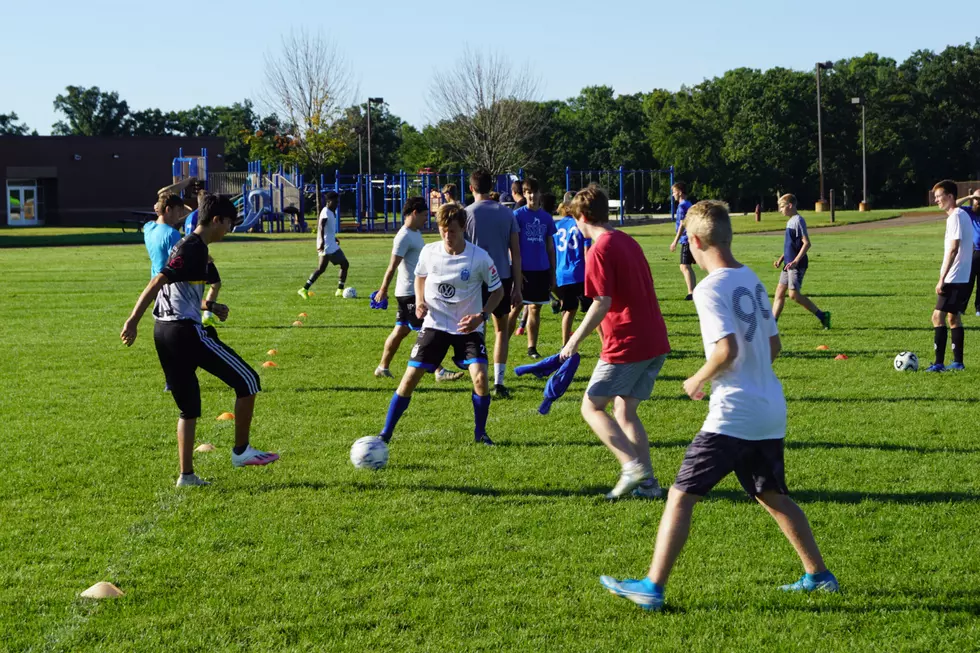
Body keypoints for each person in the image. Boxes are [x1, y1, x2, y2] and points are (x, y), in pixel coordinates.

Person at [599, 200, 838, 612]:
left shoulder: (708, 289)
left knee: (680, 496)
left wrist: (697, 378)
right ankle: (819, 576)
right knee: (771, 494)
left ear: (693, 242)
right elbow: (773, 346)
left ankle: (651, 588)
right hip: (769, 406)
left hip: (734, 413)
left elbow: (725, 349)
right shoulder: (751, 278)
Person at [120, 193, 279, 488]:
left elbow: (178, 292)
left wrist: (211, 306)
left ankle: (187, 476)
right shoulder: (192, 247)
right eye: (229, 223)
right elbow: (157, 282)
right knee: (249, 380)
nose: (230, 229)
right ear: (216, 220)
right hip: (184, 332)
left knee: (189, 408)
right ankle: (242, 451)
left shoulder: (193, 248)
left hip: (164, 331)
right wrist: (132, 320)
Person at [560, 186, 670, 500]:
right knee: (625, 411)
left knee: (591, 406)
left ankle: (631, 467)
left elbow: (601, 302)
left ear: (582, 217)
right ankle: (649, 486)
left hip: (628, 341)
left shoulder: (599, 249)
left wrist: (573, 341)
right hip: (654, 339)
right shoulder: (627, 241)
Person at [376, 204, 504, 446]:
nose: (447, 235)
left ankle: (481, 433)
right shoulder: (429, 251)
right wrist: (420, 300)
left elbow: (498, 291)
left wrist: (482, 315)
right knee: (410, 377)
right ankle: (386, 433)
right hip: (435, 325)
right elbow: (419, 277)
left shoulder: (479, 257)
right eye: (443, 230)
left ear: (463, 229)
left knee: (480, 378)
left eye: (452, 231)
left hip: (468, 328)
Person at [372, 197, 464, 382]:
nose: (426, 220)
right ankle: (439, 371)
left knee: (400, 331)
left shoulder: (414, 233)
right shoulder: (404, 236)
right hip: (410, 293)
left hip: (409, 292)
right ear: (414, 213)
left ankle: (382, 367)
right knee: (429, 329)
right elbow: (392, 266)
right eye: (423, 215)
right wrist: (383, 290)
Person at [464, 168, 523, 398]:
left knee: (477, 330)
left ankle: (479, 379)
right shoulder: (507, 214)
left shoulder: (466, 214)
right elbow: (516, 254)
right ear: (492, 187)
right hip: (502, 278)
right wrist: (517, 287)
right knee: (502, 330)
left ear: (471, 188)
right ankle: (498, 381)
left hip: (474, 280)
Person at [926, 180, 974, 372]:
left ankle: (938, 363)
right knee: (954, 318)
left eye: (939, 196)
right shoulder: (961, 214)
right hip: (963, 276)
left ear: (950, 196)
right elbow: (955, 202)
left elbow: (953, 248)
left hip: (953, 277)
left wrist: (942, 278)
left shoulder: (955, 217)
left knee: (937, 317)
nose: (936, 200)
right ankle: (958, 362)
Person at [771, 194, 831, 328]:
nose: (780, 210)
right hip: (788, 264)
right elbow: (791, 245)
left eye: (782, 207)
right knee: (779, 292)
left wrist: (796, 261)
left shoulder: (798, 220)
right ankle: (772, 325)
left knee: (793, 295)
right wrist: (781, 259)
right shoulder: (790, 221)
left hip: (796, 265)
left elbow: (806, 243)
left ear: (790, 205)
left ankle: (823, 316)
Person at [513, 178, 557, 359]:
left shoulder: (546, 218)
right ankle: (504, 342)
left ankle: (532, 347)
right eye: (528, 192)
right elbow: (512, 246)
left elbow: (550, 248)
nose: (531, 195)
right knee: (515, 308)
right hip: (523, 271)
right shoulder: (517, 215)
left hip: (541, 270)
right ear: (524, 194)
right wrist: (516, 269)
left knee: (535, 309)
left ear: (539, 194)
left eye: (534, 192)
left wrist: (552, 272)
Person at [553, 191, 593, 346]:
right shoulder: (582, 225)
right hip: (579, 272)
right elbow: (586, 252)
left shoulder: (557, 225)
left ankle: (565, 345)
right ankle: (606, 344)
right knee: (593, 311)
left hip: (562, 274)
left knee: (569, 311)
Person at [298, 191, 349, 299]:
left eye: (338, 202)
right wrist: (321, 242)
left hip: (330, 243)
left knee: (344, 264)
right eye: (335, 202)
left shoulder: (331, 212)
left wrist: (333, 237)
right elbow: (321, 226)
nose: (337, 204)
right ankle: (304, 289)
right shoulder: (326, 212)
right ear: (329, 201)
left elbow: (327, 229)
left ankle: (339, 290)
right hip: (326, 245)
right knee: (321, 268)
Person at [668, 182, 696, 300]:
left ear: (679, 192)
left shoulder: (682, 206)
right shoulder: (688, 204)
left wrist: (675, 241)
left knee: (685, 266)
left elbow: (682, 225)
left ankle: (691, 293)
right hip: (690, 238)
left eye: (674, 192)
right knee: (685, 266)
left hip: (686, 239)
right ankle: (693, 291)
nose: (673, 194)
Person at [956, 190, 980, 317]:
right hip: (973, 252)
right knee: (967, 282)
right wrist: (970, 196)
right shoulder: (969, 211)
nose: (978, 202)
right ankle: (961, 308)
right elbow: (955, 205)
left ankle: (979, 309)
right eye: (977, 199)